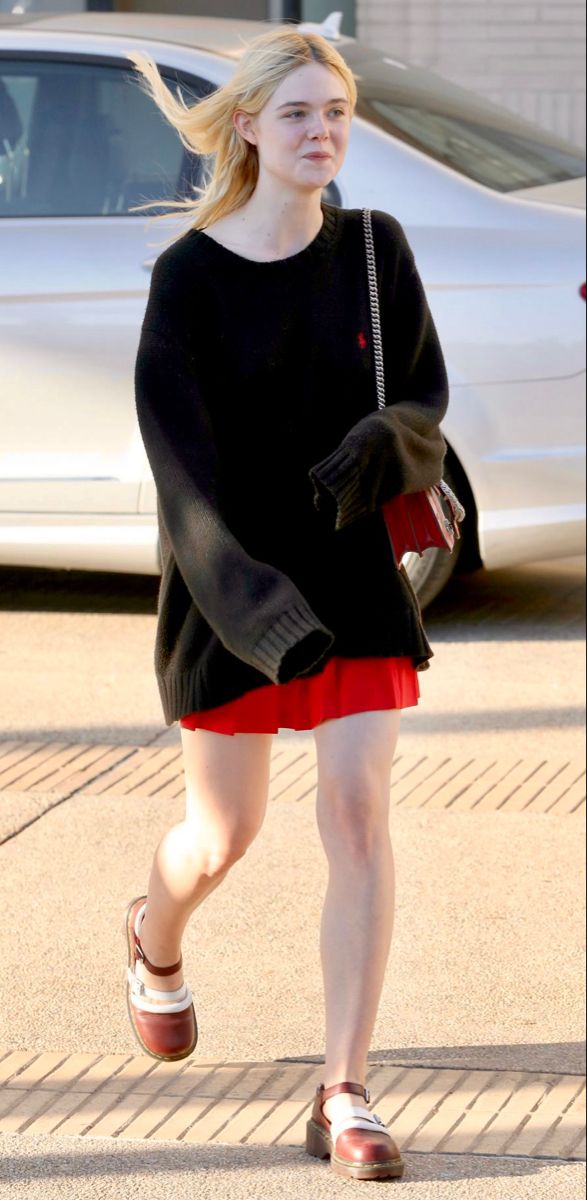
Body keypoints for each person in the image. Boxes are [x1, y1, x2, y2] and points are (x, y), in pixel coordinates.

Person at [126, 25, 449, 1183]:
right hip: (231, 591)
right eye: (300, 113)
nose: (323, 132)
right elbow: (182, 481)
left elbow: (422, 392)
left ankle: (343, 1091)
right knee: (222, 839)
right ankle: (153, 939)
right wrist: (250, 609)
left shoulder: (373, 247)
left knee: (357, 817)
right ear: (249, 126)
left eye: (337, 113)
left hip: (352, 575)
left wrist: (386, 438)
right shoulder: (191, 280)